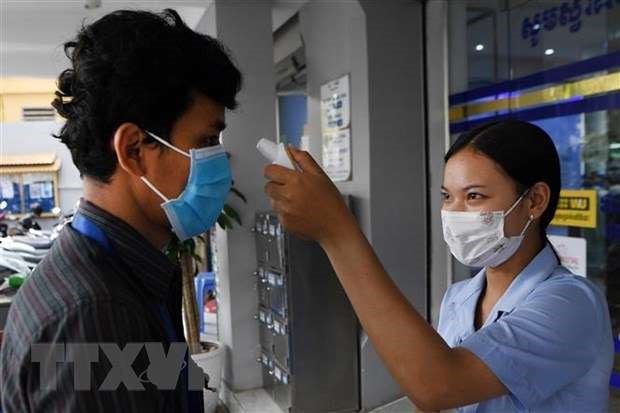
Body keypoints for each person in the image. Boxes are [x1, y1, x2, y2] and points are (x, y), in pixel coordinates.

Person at [264, 119, 613, 412]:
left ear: (535, 200)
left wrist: (337, 231)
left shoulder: (572, 304)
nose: (455, 213)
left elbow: (438, 385)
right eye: (448, 197)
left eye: (474, 196)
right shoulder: (459, 298)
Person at [1, 9, 241, 412]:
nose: (221, 162)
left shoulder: (125, 275)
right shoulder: (96, 317)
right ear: (133, 150)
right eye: (205, 140)